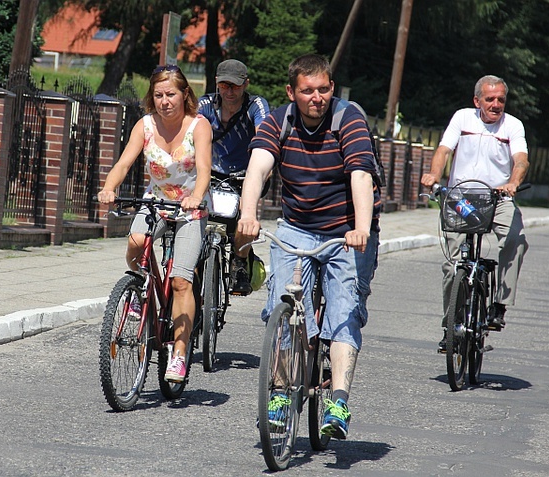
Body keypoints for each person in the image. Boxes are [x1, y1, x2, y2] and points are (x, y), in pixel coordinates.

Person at [237, 54, 380, 439]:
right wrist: (247, 214)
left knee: (344, 312)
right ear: (291, 92)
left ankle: (337, 401)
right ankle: (282, 393)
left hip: (345, 232)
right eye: (307, 91)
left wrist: (361, 228)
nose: (316, 97)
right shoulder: (278, 121)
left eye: (323, 89)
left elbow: (360, 176)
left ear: (331, 89)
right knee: (282, 305)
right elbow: (257, 169)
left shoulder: (347, 119)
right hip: (297, 228)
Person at [97, 64, 212, 383]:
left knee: (180, 282)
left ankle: (178, 352)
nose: (165, 101)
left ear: (184, 94)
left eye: (171, 94)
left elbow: (204, 170)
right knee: (135, 245)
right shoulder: (145, 125)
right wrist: (109, 188)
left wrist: (196, 196)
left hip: (191, 206)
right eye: (159, 95)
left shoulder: (198, 126)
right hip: (156, 200)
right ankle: (141, 290)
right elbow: (123, 163)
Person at [421, 75, 529, 352]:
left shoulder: (513, 125)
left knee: (515, 238)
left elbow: (521, 159)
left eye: (501, 99)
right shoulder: (462, 118)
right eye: (490, 99)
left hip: (498, 196)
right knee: (452, 265)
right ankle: (451, 326)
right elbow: (444, 149)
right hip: (460, 199)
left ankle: (499, 305)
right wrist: (434, 175)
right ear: (477, 101)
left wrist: (513, 182)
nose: (496, 104)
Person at [198, 59, 270, 295]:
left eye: (235, 86)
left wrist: (259, 177)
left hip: (245, 175)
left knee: (245, 222)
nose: (229, 91)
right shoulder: (205, 105)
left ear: (245, 84)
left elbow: (266, 144)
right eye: (224, 85)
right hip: (211, 172)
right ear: (217, 83)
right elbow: (190, 136)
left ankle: (239, 261)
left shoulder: (256, 106)